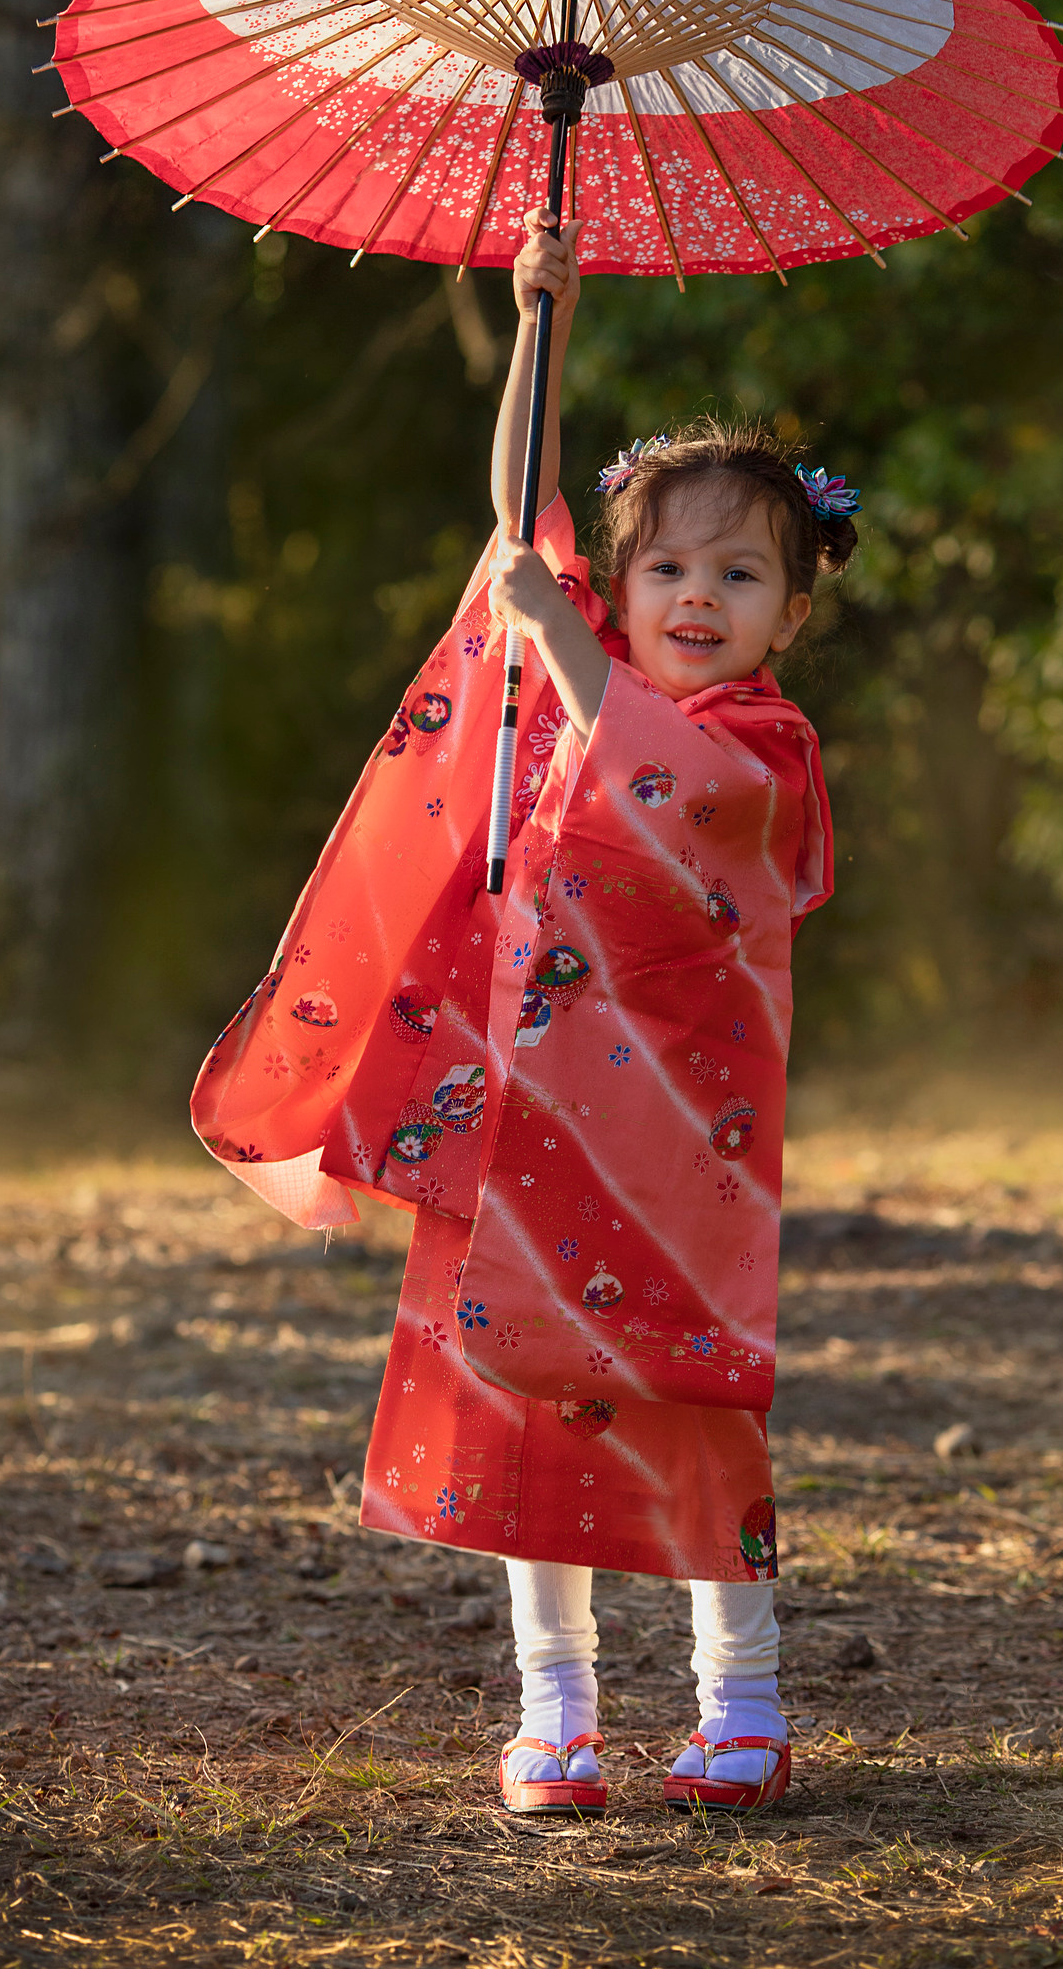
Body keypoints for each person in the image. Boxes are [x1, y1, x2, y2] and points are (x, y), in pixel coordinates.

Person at [188, 206, 858, 1820]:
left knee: (683, 1401)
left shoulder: (760, 748)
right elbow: (520, 517)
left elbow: (686, 803)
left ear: (789, 611)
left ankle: (741, 1699)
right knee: (505, 1393)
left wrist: (573, 655)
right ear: (623, 584)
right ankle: (552, 1711)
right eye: (666, 567)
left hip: (667, 1145)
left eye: (739, 573)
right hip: (514, 1110)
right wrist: (535, 317)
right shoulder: (567, 654)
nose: (697, 595)